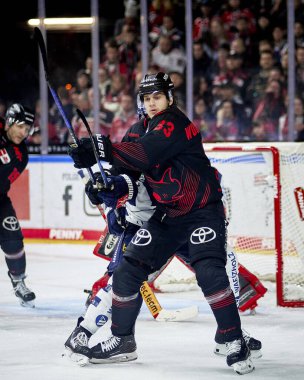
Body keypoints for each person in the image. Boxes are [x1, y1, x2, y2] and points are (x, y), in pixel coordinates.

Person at [68, 72, 256, 374]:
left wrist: (98, 147)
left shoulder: (175, 123)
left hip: (202, 212)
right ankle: (122, 340)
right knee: (128, 270)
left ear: (170, 98)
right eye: (146, 98)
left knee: (209, 271)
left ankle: (233, 340)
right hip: (167, 217)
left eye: (157, 96)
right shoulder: (136, 129)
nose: (151, 103)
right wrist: (105, 187)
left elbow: (145, 154)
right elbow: (128, 174)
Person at [64, 172, 263, 366]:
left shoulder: (182, 153)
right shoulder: (135, 158)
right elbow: (117, 216)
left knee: (224, 259)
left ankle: (229, 332)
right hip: (146, 229)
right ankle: (83, 331)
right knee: (121, 278)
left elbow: (209, 188)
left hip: (184, 223)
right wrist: (110, 204)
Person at [0, 103, 36, 307]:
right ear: (10, 122)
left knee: (12, 234)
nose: (24, 133)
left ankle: (19, 281)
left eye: (27, 129)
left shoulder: (20, 155)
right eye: (21, 126)